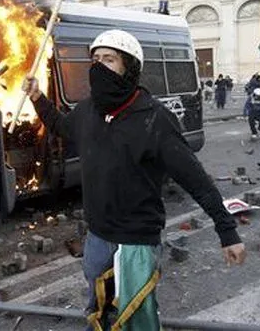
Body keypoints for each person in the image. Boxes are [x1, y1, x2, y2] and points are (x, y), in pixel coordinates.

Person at [22, 29, 246, 330]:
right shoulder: (88, 111)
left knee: (135, 318)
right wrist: (38, 98)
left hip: (136, 243)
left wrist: (227, 232)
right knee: (98, 310)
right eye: (95, 59)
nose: (99, 67)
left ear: (129, 67)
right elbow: (62, 126)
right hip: (97, 238)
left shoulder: (155, 118)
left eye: (109, 59)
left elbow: (196, 180)